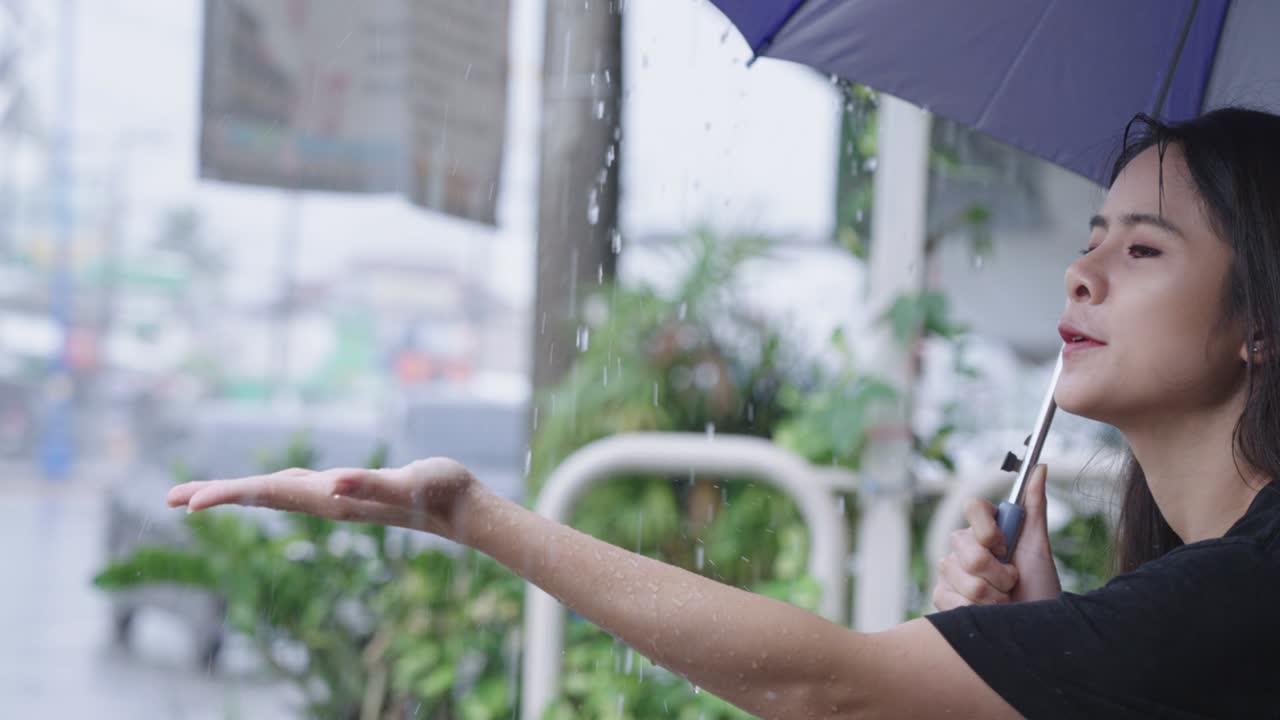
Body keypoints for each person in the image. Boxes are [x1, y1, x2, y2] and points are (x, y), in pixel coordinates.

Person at [167, 107, 1280, 718]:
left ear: (1259, 324)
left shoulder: (1245, 584)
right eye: (1088, 237)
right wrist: (1043, 639)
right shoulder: (1197, 584)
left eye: (1141, 249)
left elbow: (824, 688)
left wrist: (475, 517)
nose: (1081, 274)